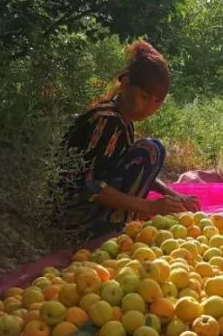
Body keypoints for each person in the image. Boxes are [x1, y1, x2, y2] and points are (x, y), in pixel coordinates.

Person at [60, 40, 198, 237]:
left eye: (157, 102)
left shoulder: (123, 121)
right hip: (71, 214)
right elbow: (89, 186)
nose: (149, 107)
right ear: (125, 85)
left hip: (85, 206)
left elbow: (130, 169)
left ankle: (119, 219)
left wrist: (175, 196)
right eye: (143, 97)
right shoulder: (106, 121)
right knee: (151, 149)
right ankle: (109, 226)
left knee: (152, 151)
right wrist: (150, 207)